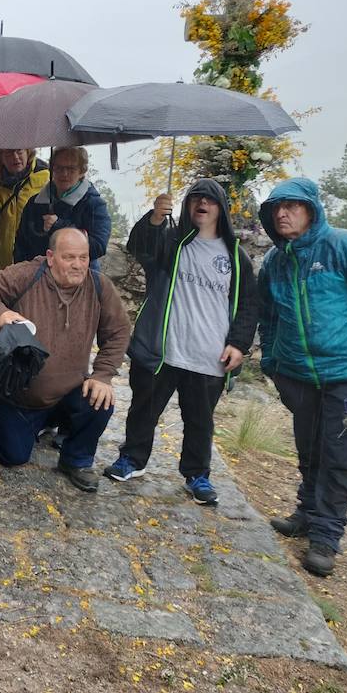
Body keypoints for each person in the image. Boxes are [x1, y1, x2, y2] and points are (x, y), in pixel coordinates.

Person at [256, 177, 347, 577]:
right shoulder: (275, 261)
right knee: (309, 450)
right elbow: (267, 318)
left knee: (340, 458)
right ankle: (306, 513)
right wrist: (272, 361)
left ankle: (325, 536)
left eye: (291, 206)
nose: (282, 214)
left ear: (313, 209)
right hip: (297, 374)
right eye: (276, 208)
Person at [104, 180, 259, 506]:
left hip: (209, 354)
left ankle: (197, 474)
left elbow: (248, 304)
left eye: (210, 199)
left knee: (200, 420)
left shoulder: (235, 256)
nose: (202, 203)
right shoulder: (172, 242)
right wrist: (155, 218)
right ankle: (132, 459)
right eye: (195, 198)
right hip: (164, 348)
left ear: (221, 209)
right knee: (144, 409)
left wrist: (239, 344)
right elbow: (139, 246)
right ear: (188, 205)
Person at [0, 228, 130, 493]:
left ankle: (76, 459)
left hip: (67, 392)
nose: (78, 265)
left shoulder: (99, 286)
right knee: (13, 457)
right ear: (51, 257)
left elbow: (119, 331)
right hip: (18, 396)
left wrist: (103, 374)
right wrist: (1, 314)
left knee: (101, 401)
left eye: (83, 257)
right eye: (69, 257)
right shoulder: (27, 275)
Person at [13, 146, 111, 267]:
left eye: (71, 169)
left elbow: (98, 246)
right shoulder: (35, 203)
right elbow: (21, 245)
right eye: (58, 168)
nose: (64, 174)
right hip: (39, 279)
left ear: (82, 171)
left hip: (79, 278)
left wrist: (60, 226)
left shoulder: (93, 204)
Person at [0, 148, 49, 273]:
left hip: (34, 266)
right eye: (8, 153)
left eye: (19, 151)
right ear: (1, 158)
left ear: (28, 153)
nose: (15, 157)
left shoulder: (46, 179)